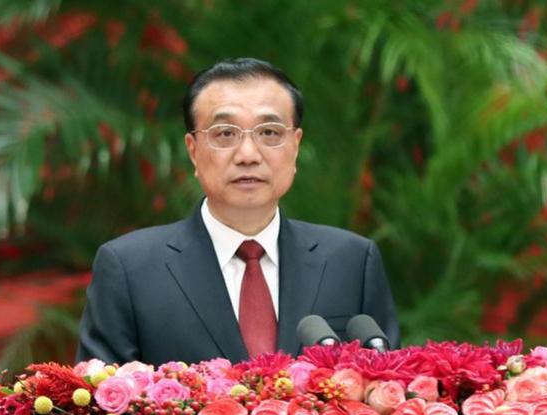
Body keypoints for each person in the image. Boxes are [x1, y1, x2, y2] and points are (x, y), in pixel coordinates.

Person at [77, 58, 398, 365]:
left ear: (295, 146)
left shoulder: (352, 262)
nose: (248, 155)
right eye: (225, 134)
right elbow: (98, 398)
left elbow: (391, 387)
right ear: (193, 150)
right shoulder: (130, 269)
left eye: (269, 133)